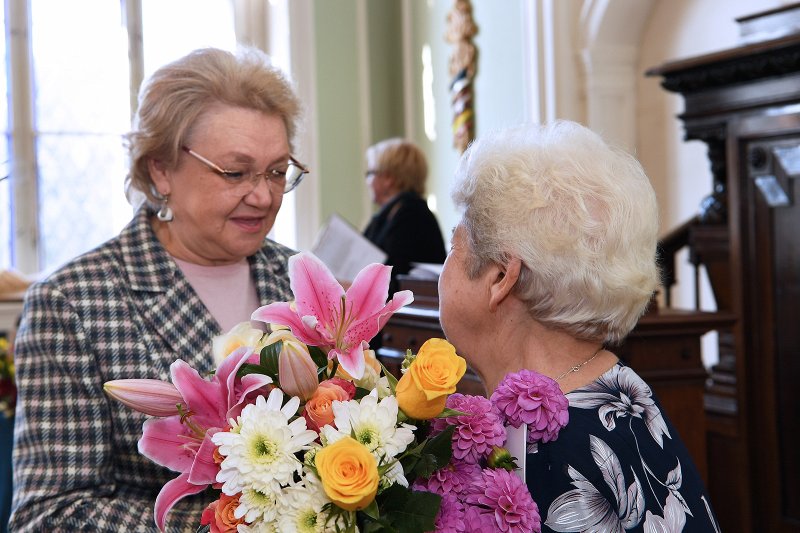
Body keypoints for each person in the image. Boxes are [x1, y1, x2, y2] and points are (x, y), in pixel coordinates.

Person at [10, 47, 308, 532]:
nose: (264, 195)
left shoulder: (296, 277)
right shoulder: (74, 304)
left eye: (277, 171)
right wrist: (234, 523)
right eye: (235, 172)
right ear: (160, 170)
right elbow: (48, 515)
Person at [438, 121, 719, 531]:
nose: (443, 268)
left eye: (453, 247)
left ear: (501, 277)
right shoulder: (620, 389)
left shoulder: (548, 453)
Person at [362, 138, 446, 288]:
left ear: (388, 178)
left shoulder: (412, 215)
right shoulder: (391, 213)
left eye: (371, 173)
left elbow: (395, 280)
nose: (368, 181)